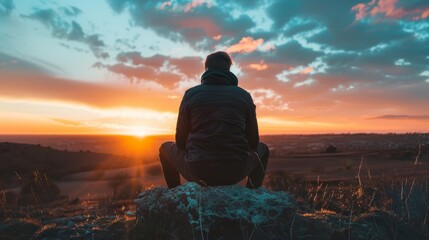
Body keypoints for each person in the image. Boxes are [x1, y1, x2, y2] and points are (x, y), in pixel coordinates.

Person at [159, 51, 269, 189]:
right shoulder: (244, 96)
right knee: (263, 149)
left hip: (198, 171)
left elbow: (180, 142)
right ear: (228, 69)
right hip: (235, 172)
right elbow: (254, 142)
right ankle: (252, 195)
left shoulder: (191, 94)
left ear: (206, 69)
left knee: (164, 148)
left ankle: (175, 194)